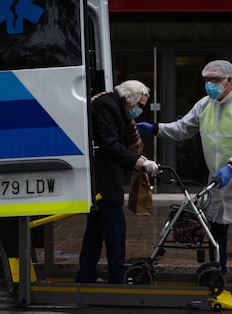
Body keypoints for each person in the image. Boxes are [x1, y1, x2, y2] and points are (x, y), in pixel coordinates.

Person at [137, 60, 232, 298]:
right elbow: (184, 128)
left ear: (229, 80)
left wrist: (231, 167)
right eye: (207, 80)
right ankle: (216, 273)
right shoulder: (205, 105)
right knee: (217, 229)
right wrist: (155, 128)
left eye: (214, 80)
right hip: (218, 177)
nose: (209, 85)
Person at [75, 80, 159, 284]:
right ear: (129, 98)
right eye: (140, 105)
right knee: (115, 227)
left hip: (102, 175)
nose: (141, 110)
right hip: (103, 177)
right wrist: (140, 161)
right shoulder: (107, 106)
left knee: (96, 229)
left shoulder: (113, 107)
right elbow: (109, 144)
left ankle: (86, 275)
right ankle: (117, 275)